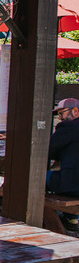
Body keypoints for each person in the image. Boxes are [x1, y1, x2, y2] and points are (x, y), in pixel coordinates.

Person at [47, 98, 79, 230]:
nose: (60, 118)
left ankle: (46, 220)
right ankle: (72, 220)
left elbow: (46, 150)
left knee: (33, 178)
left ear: (75, 111)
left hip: (72, 185)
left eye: (62, 113)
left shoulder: (68, 127)